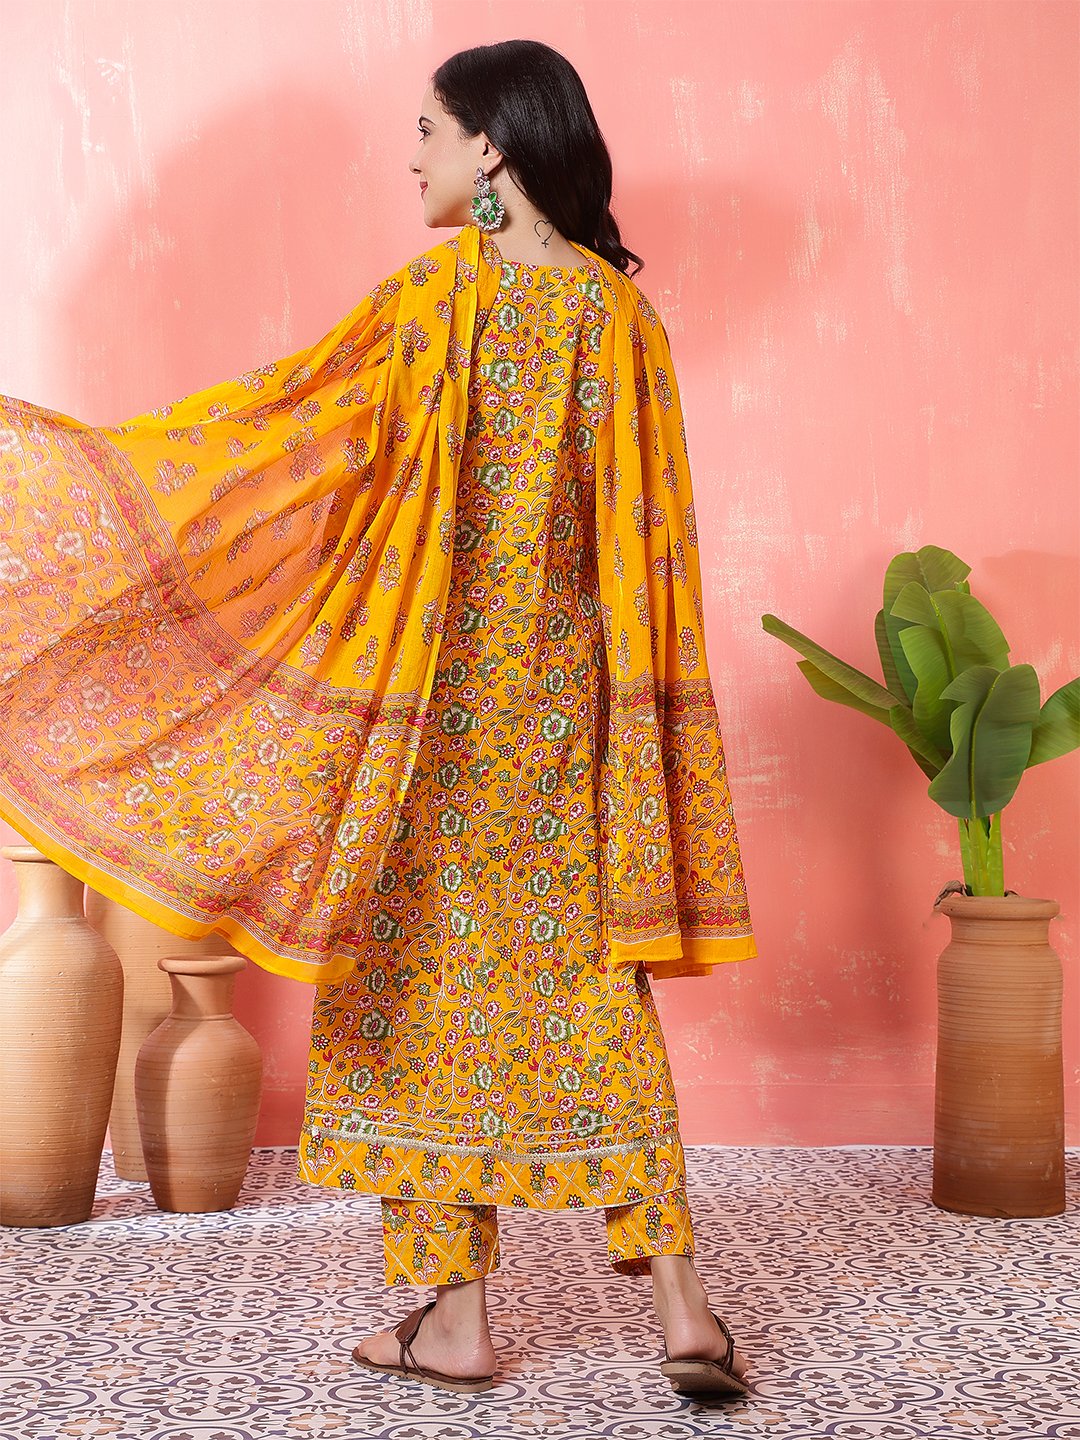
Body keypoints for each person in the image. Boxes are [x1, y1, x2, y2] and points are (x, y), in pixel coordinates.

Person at [0, 39, 754, 1399]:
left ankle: (457, 1322)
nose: (410, 156)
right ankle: (687, 1313)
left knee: (407, 1005)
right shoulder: (621, 323)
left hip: (420, 733)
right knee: (594, 1000)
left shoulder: (433, 306)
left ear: (492, 151)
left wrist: (106, 501)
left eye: (428, 130)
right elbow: (651, 549)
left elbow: (278, 444)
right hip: (571, 732)